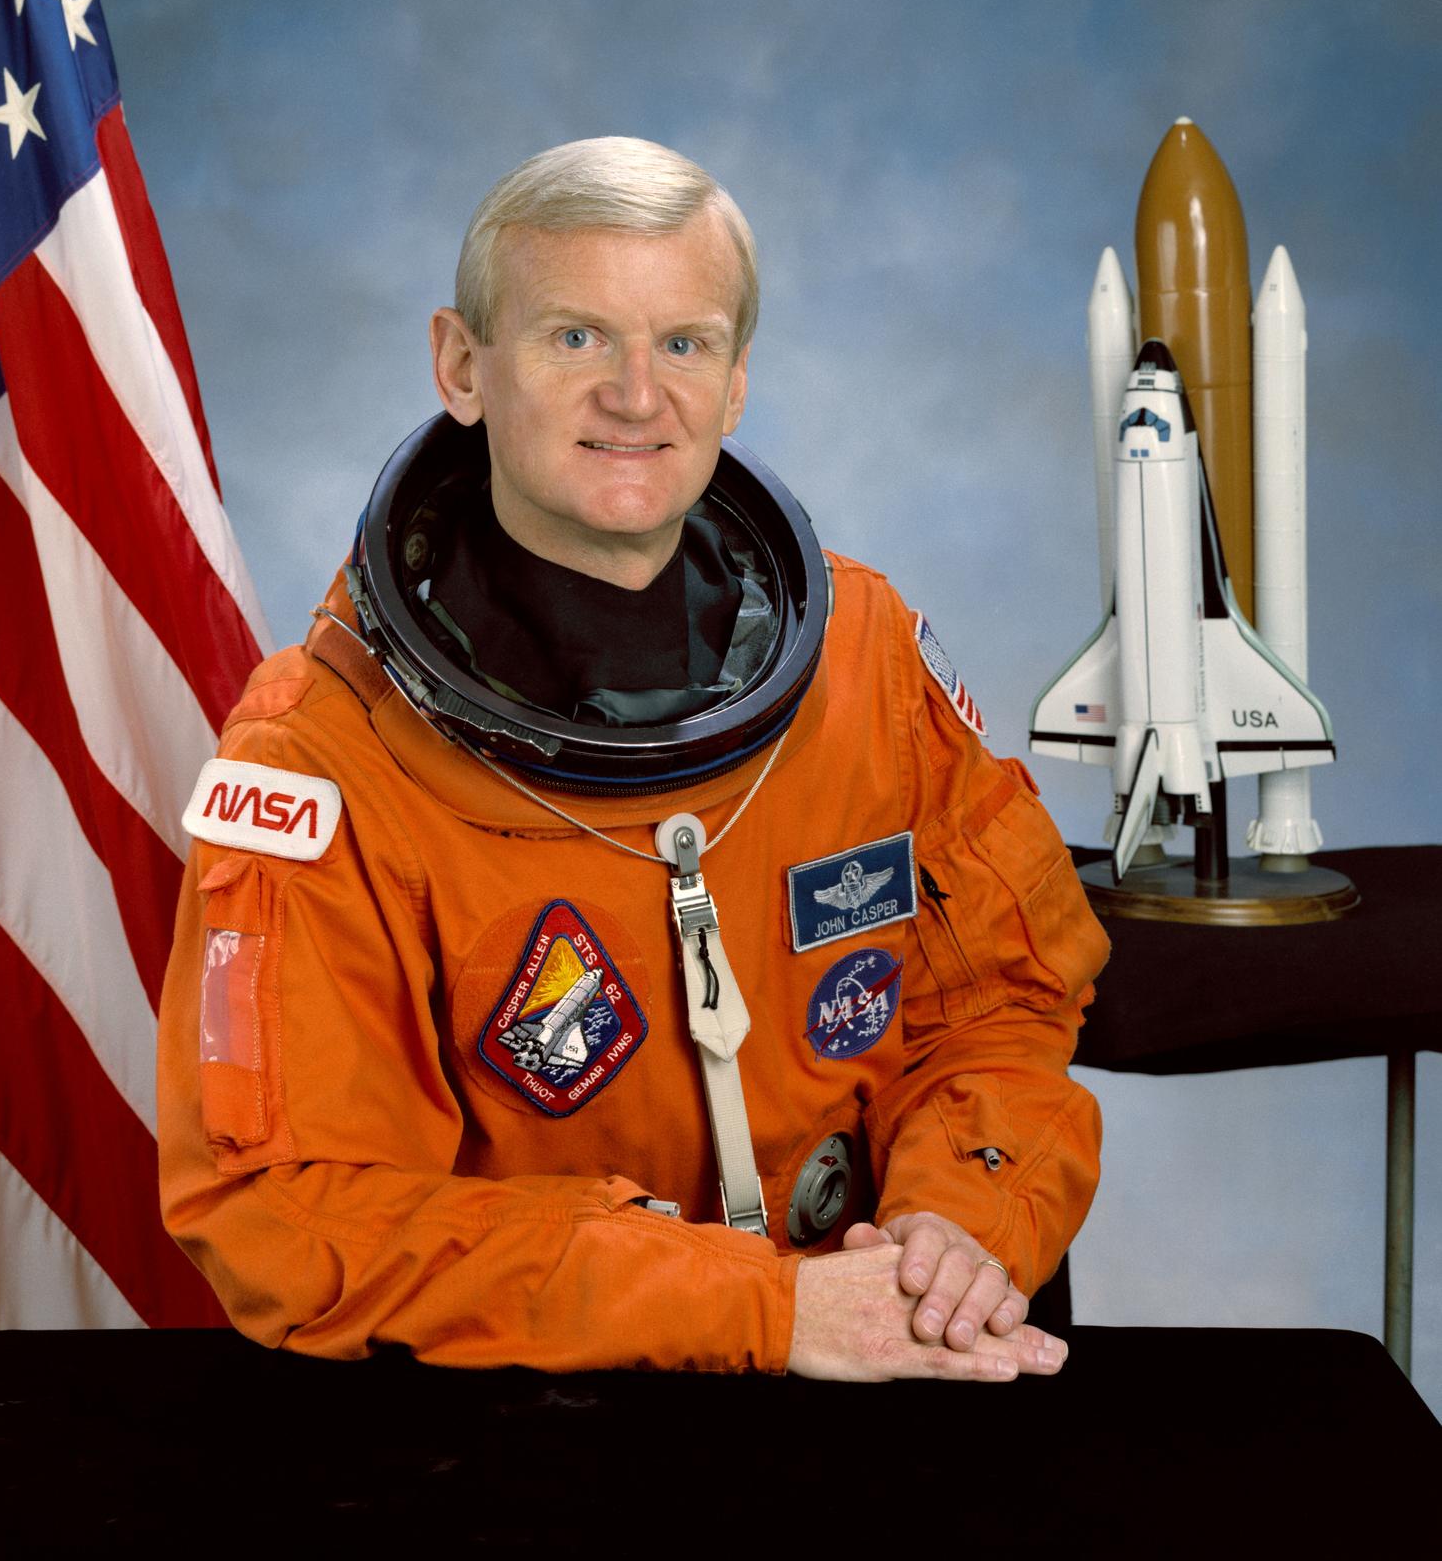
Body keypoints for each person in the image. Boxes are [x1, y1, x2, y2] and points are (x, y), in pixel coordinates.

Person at [158, 137, 1110, 1381]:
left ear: (734, 384)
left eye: (682, 343)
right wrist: (753, 1310)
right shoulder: (325, 758)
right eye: (574, 338)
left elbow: (999, 1004)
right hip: (525, 1423)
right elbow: (287, 1210)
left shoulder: (863, 662)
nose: (633, 395)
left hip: (885, 1351)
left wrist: (952, 1232)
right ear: (461, 365)